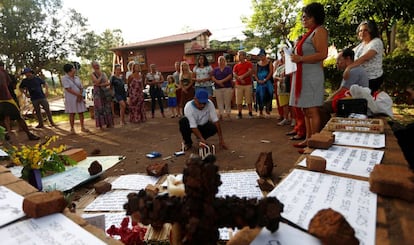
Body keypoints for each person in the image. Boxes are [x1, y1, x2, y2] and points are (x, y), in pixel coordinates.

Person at [289, 2, 328, 148]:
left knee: (312, 110)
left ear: (315, 17)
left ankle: (314, 142)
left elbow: (323, 54)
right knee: (306, 110)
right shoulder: (309, 33)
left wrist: (300, 59)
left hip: (312, 76)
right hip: (303, 75)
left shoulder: (320, 31)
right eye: (302, 17)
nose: (303, 19)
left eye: (306, 17)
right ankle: (308, 139)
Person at [320, 48, 369, 128]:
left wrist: (328, 99)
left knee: (322, 107)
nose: (337, 62)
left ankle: (327, 129)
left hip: (355, 103)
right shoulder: (354, 69)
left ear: (348, 58)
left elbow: (342, 90)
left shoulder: (353, 71)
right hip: (355, 100)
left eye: (339, 59)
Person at [0, 61, 39, 141]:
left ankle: (7, 136)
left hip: (6, 98)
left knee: (3, 119)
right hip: (7, 98)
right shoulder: (4, 72)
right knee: (18, 117)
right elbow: (8, 84)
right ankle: (27, 134)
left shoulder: (4, 73)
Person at [344, 20, 384, 95]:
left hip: (372, 79)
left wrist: (348, 68)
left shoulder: (376, 42)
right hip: (361, 78)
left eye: (365, 30)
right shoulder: (362, 45)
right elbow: (351, 54)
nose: (362, 32)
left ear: (371, 31)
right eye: (360, 30)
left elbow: (364, 58)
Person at [61, 63, 90, 134]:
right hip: (71, 98)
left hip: (79, 97)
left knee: (81, 112)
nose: (75, 70)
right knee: (72, 113)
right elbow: (68, 89)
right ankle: (72, 128)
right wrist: (78, 95)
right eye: (73, 68)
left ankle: (82, 127)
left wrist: (80, 95)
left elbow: (81, 87)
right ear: (70, 70)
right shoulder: (64, 78)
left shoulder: (77, 78)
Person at [91, 61, 114, 130]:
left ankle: (108, 123)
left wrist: (101, 84)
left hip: (104, 92)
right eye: (95, 65)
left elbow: (107, 83)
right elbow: (96, 82)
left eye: (97, 65)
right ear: (93, 67)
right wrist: (100, 77)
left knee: (107, 107)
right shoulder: (92, 74)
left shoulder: (103, 73)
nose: (97, 66)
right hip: (97, 93)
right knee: (99, 107)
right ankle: (101, 124)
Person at [233, 50, 254, 119]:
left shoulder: (249, 63)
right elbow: (234, 74)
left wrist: (242, 76)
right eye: (238, 55)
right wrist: (240, 79)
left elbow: (250, 71)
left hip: (248, 84)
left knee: (249, 99)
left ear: (244, 56)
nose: (239, 56)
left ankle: (250, 112)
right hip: (239, 84)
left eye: (241, 55)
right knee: (239, 99)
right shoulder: (236, 65)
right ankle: (239, 113)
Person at [253, 49, 274, 118]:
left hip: (267, 83)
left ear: (265, 55)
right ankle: (260, 111)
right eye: (260, 56)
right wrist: (258, 80)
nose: (261, 57)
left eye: (262, 55)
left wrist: (265, 80)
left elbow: (271, 72)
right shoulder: (257, 64)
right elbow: (255, 74)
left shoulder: (269, 62)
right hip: (259, 83)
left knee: (268, 95)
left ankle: (267, 111)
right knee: (260, 96)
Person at [212, 56, 233, 120]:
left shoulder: (228, 68)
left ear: (225, 61)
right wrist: (218, 82)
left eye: (222, 60)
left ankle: (228, 114)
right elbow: (213, 77)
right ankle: (221, 114)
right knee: (219, 101)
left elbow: (230, 76)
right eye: (220, 60)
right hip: (218, 87)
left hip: (227, 87)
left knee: (227, 101)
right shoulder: (215, 69)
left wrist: (222, 81)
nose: (221, 61)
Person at [273, 50, 291, 126]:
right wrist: (279, 78)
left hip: (290, 86)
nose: (283, 55)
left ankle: (293, 119)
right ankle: (285, 118)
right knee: (284, 104)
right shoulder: (278, 65)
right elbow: (274, 76)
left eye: (284, 53)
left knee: (292, 104)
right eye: (281, 53)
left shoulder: (292, 64)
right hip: (281, 87)